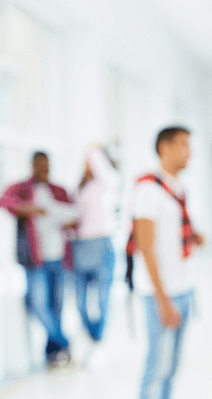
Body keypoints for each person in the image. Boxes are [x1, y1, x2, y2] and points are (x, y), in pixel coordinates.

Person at [132, 126, 203, 399]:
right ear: (164, 147)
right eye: (184, 145)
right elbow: (146, 248)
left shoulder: (178, 188)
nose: (190, 152)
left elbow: (171, 234)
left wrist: (194, 237)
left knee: (171, 368)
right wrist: (163, 300)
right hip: (161, 294)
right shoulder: (148, 190)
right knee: (156, 368)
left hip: (183, 288)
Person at [0, 151, 77, 368]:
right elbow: (2, 201)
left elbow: (75, 215)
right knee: (38, 305)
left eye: (46, 165)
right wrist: (28, 209)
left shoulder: (58, 190)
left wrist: (68, 221)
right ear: (32, 165)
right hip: (35, 259)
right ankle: (66, 343)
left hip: (59, 256)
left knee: (57, 307)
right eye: (39, 165)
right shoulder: (23, 188)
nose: (43, 169)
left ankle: (54, 355)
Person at [73, 146, 119, 364]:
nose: (88, 164)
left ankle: (99, 341)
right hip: (81, 245)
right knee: (81, 302)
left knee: (102, 299)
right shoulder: (82, 187)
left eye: (91, 160)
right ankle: (93, 338)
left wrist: (93, 149)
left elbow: (104, 170)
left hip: (102, 244)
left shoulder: (107, 183)